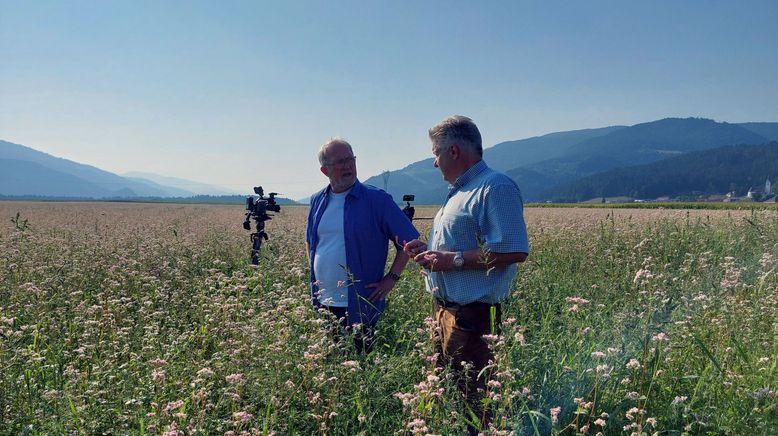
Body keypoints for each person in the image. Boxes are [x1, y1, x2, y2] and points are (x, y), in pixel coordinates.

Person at [403, 115, 529, 429]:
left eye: (436, 153)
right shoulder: (460, 191)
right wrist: (427, 254)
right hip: (446, 312)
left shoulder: (494, 187)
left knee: (479, 405)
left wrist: (452, 260)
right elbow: (453, 251)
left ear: (454, 152)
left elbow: (514, 250)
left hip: (473, 317)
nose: (435, 162)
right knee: (452, 397)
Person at [306, 138, 419, 352]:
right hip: (324, 299)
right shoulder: (316, 200)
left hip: (360, 302)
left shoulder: (377, 200)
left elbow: (408, 243)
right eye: (340, 161)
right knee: (333, 364)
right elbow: (311, 242)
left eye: (350, 159)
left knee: (361, 363)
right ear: (324, 170)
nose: (348, 165)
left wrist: (391, 279)